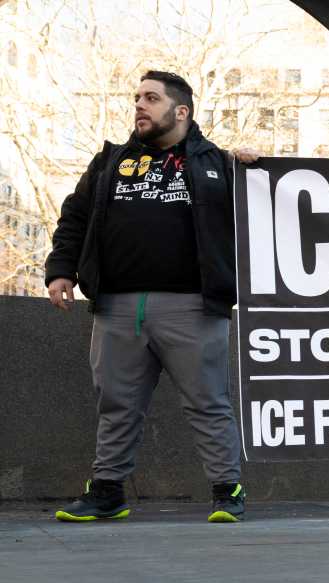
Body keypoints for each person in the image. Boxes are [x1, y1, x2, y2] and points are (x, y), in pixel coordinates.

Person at [44, 71, 258, 523]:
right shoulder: (108, 162)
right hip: (117, 307)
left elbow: (265, 216)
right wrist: (60, 270)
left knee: (208, 402)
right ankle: (106, 493)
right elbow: (74, 219)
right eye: (137, 97)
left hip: (194, 307)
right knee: (116, 404)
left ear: (180, 111)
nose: (139, 105)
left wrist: (256, 170)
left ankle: (227, 491)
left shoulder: (218, 164)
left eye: (151, 98)